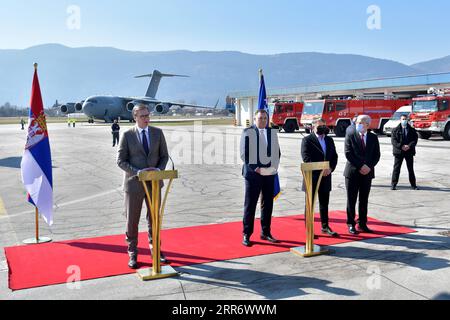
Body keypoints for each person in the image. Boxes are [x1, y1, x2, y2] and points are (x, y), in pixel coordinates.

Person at [117, 104, 169, 269]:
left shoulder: (157, 133)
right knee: (132, 220)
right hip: (134, 185)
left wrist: (159, 170)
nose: (146, 118)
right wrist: (137, 172)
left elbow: (164, 156)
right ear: (135, 117)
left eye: (147, 115)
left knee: (154, 218)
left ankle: (156, 250)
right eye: (142, 116)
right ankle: (132, 252)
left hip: (154, 183)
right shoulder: (127, 135)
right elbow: (120, 161)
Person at [240, 109, 281, 247]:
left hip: (269, 174)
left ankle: (266, 232)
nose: (263, 120)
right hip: (253, 174)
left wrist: (273, 167)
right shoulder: (248, 132)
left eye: (265, 118)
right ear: (254, 119)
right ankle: (246, 234)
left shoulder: (271, 132)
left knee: (267, 204)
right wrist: (257, 168)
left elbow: (277, 153)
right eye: (260, 118)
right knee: (250, 205)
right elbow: (244, 154)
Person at [301, 117, 339, 237]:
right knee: (310, 204)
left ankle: (325, 226)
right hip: (312, 177)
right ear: (313, 127)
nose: (322, 128)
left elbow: (334, 156)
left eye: (324, 126)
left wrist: (330, 168)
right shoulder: (307, 140)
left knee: (324, 203)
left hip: (326, 176)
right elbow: (306, 158)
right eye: (319, 126)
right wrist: (321, 169)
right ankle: (309, 229)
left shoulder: (329, 140)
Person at [344, 115, 381, 235]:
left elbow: (376, 155)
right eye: (357, 122)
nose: (358, 124)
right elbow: (348, 153)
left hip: (367, 173)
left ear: (368, 125)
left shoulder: (373, 137)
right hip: (353, 172)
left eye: (361, 122)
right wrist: (360, 166)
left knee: (364, 200)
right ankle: (351, 224)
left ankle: (362, 223)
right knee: (351, 200)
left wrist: (369, 167)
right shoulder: (351, 135)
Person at [391, 115, 419, 190]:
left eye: (406, 119)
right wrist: (401, 146)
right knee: (396, 168)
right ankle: (393, 184)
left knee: (410, 169)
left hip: (409, 152)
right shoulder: (395, 130)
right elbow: (394, 141)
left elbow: (415, 140)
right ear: (400, 120)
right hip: (399, 152)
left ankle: (413, 185)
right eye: (403, 119)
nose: (404, 120)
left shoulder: (412, 130)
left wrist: (409, 146)